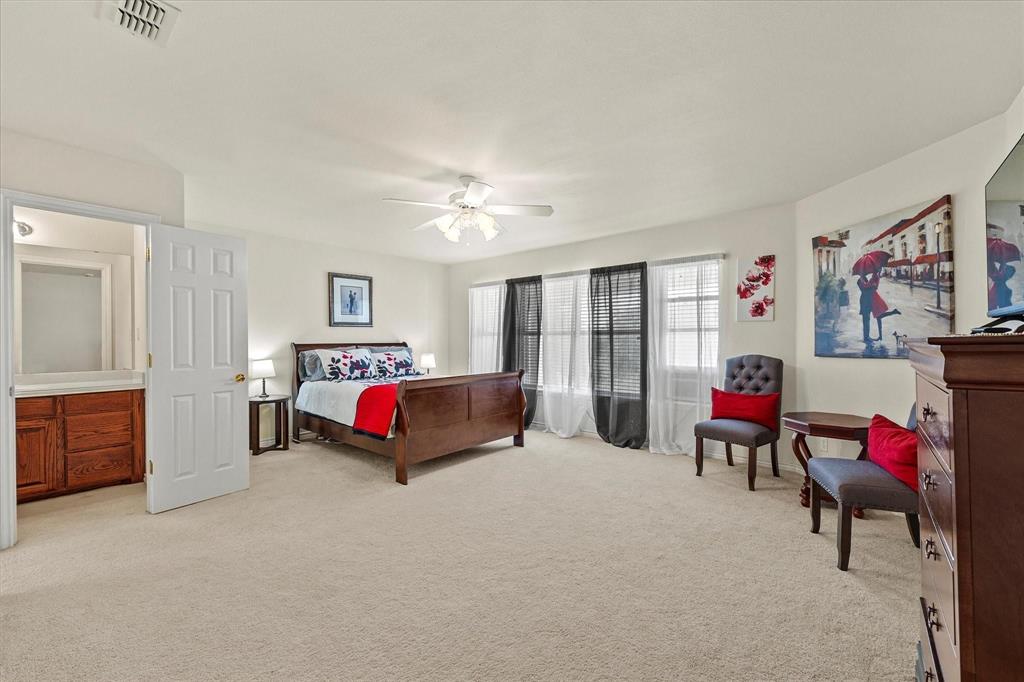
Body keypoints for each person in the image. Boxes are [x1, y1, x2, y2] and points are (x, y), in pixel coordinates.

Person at [857, 271, 901, 344]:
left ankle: (868, 336)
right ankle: (866, 337)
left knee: (873, 318)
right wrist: (872, 287)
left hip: (870, 301)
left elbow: (871, 286)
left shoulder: (867, 279)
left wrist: (873, 286)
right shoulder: (860, 281)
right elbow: (865, 290)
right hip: (865, 302)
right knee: (867, 320)